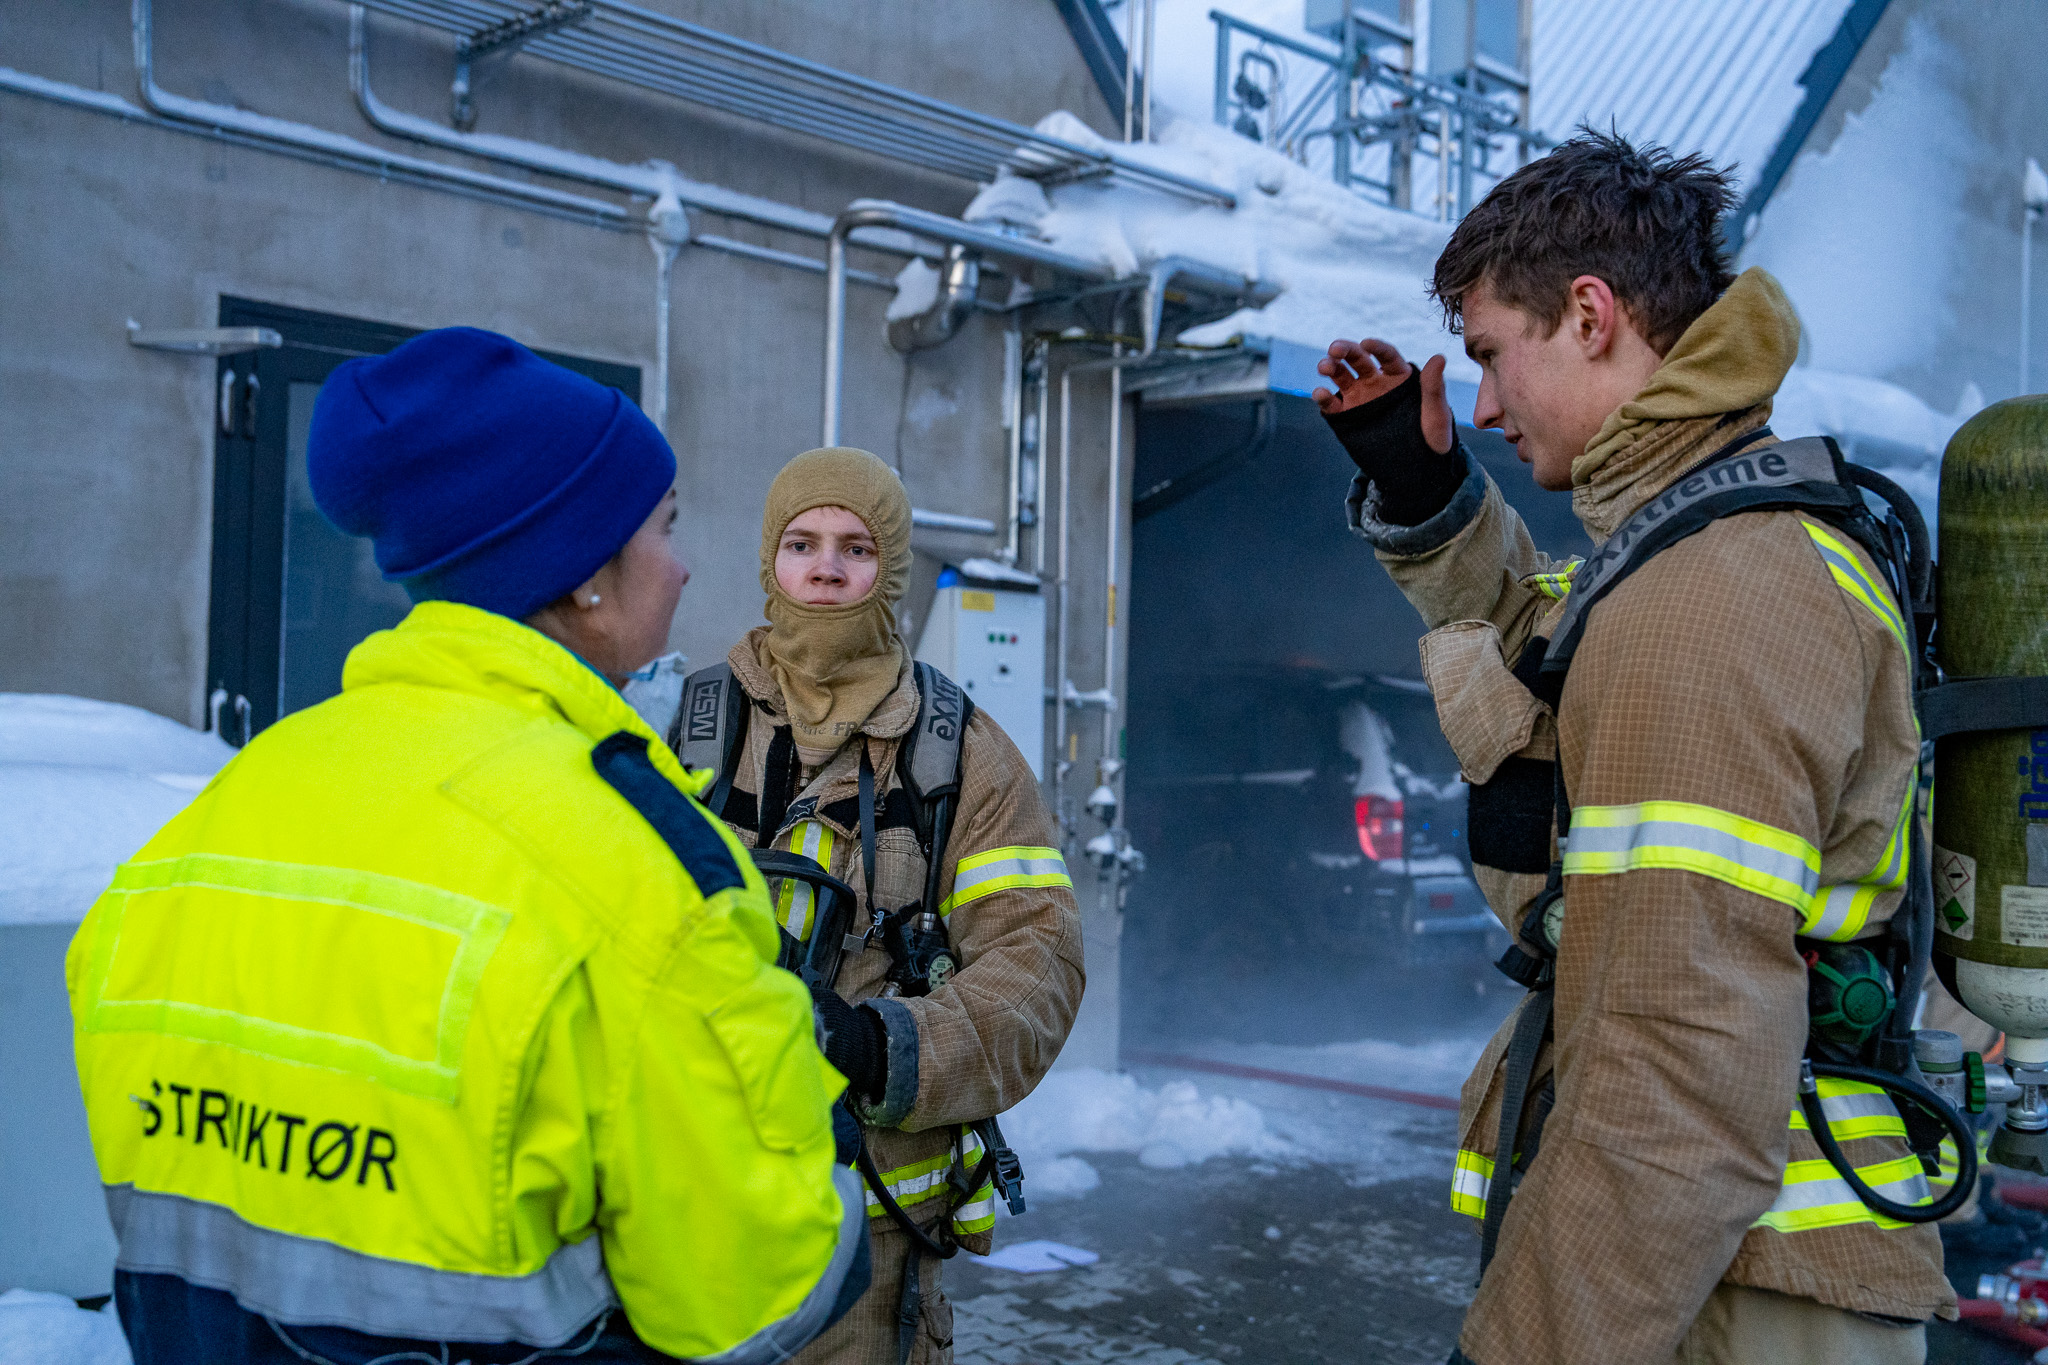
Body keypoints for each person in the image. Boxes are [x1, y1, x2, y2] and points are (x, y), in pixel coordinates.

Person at [66, 328, 867, 1364]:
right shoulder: (635, 868)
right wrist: (815, 1118)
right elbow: (755, 1290)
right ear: (584, 571)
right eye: (663, 528)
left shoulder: (229, 802)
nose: (681, 568)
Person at [1313, 133, 1952, 1363]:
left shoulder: (1714, 593)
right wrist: (1424, 487)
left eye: (1494, 354)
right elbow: (1553, 666)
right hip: (1719, 1267)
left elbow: (1674, 1063)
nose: (1483, 403)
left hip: (1729, 1286)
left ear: (1592, 315)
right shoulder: (1688, 549)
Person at [674, 446, 1084, 1365]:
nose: (825, 566)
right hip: (682, 1221)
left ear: (890, 570)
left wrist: (876, 1045)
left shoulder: (961, 756)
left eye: (856, 547)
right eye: (801, 542)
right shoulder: (685, 727)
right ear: (769, 562)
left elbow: (1039, 969)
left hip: (871, 1251)